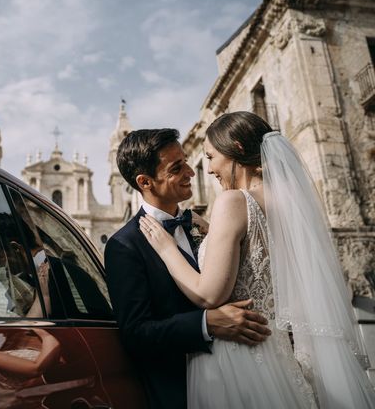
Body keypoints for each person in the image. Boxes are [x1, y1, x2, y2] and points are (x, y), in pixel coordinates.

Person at [139, 112, 375, 408]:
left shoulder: (233, 201)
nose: (209, 169)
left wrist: (166, 250)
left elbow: (209, 293)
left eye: (211, 157)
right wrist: (214, 231)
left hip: (240, 358)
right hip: (279, 354)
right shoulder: (288, 203)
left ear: (236, 148)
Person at [104, 128, 271, 409]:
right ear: (145, 181)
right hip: (184, 391)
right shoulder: (125, 245)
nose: (191, 173)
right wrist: (207, 324)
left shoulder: (207, 224)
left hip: (247, 374)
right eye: (177, 168)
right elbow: (136, 334)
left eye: (186, 162)